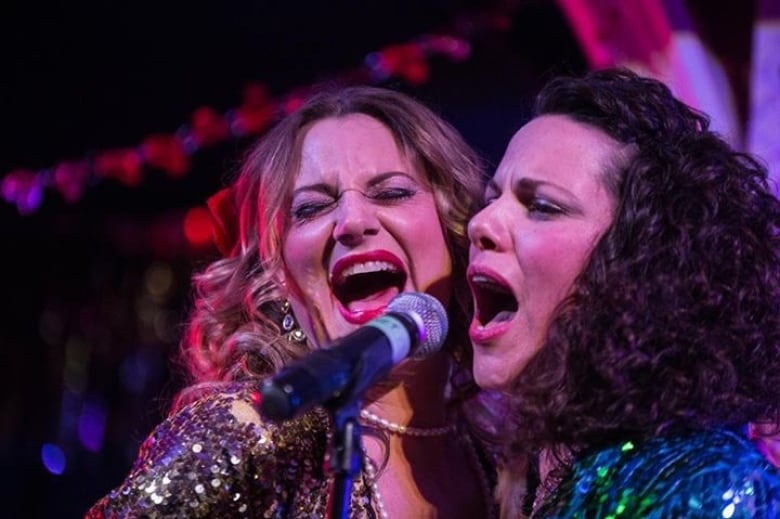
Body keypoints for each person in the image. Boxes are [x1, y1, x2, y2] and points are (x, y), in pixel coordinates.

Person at [86, 85, 498, 518]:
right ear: (278, 279)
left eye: (391, 193)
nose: (352, 222)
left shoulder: (508, 452)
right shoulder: (248, 436)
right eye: (311, 209)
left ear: (456, 233)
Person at [466, 67, 780, 517]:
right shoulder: (536, 472)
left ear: (642, 261)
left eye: (541, 206)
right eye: (490, 198)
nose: (481, 223)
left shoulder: (700, 481)